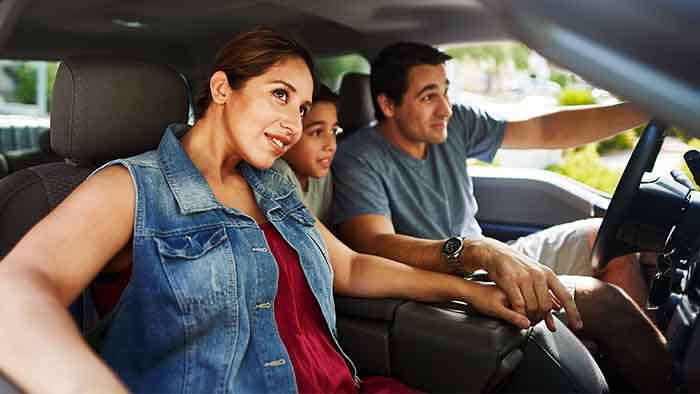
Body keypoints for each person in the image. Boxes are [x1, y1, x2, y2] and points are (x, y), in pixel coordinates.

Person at [0, 29, 581, 394]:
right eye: (279, 95)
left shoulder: (274, 184)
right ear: (223, 89)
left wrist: (470, 291)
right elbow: (15, 293)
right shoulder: (131, 189)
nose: (293, 124)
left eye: (303, 107)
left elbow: (350, 267)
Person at [332, 42, 672, 392]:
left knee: (603, 239)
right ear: (388, 105)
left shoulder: (454, 124)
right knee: (603, 300)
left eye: (446, 91)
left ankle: (628, 372)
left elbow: (544, 131)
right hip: (447, 282)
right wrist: (472, 251)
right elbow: (374, 244)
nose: (445, 108)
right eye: (428, 96)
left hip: (493, 255)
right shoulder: (358, 159)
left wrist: (648, 109)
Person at [272, 84, 341, 226]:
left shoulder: (322, 176)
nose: (331, 145)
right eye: (316, 132)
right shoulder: (277, 174)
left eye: (334, 131)